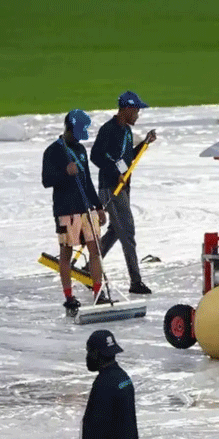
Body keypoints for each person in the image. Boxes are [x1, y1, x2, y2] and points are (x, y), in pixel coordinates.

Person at [90, 91, 157, 295]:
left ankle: (89, 267)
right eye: (136, 111)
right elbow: (95, 156)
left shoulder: (127, 131)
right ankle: (135, 281)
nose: (138, 115)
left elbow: (127, 158)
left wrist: (144, 143)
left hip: (123, 188)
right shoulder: (108, 129)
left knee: (115, 231)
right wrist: (114, 172)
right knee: (127, 232)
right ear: (127, 109)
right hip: (111, 188)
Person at [42, 109, 108, 314]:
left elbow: (87, 181)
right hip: (65, 210)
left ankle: (98, 292)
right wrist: (65, 172)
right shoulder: (53, 151)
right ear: (69, 128)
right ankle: (69, 297)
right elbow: (46, 180)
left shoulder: (80, 150)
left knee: (95, 250)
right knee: (66, 253)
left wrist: (98, 207)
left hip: (86, 208)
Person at [81, 329, 138, 439]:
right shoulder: (124, 378)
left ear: (97, 353)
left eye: (89, 351)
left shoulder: (104, 384)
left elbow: (96, 429)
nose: (87, 357)